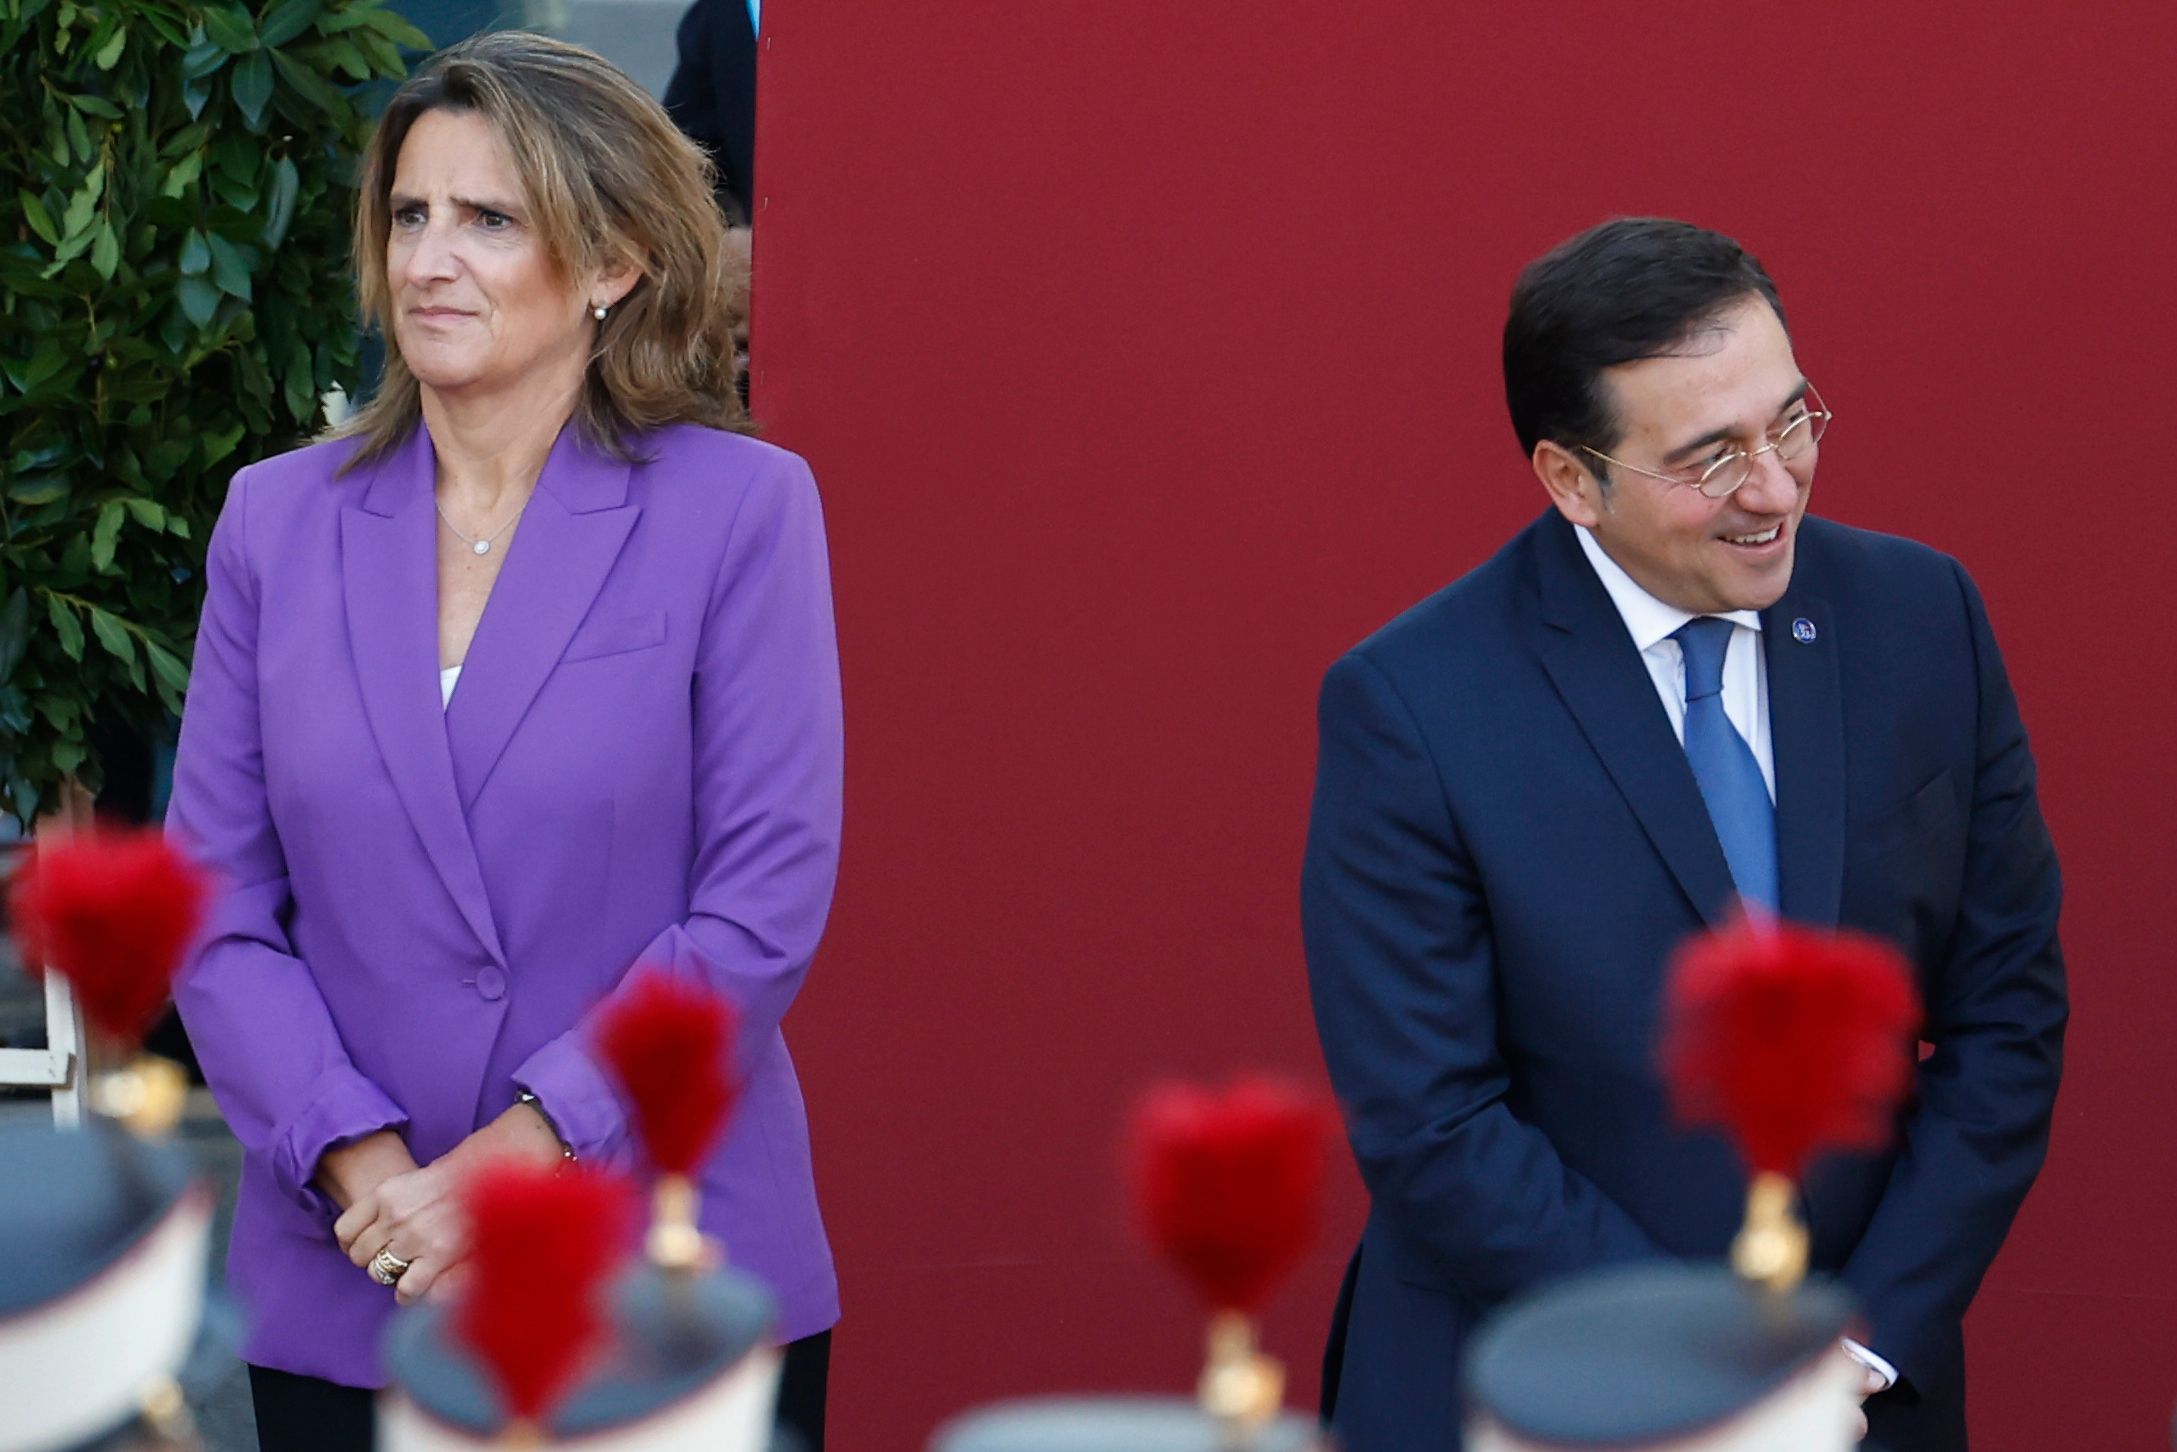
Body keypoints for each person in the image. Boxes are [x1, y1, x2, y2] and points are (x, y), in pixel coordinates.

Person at [166, 31, 841, 1452]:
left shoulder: (742, 510)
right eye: (409, 215)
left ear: (612, 264)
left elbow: (759, 905)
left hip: (658, 1265)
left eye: (487, 219)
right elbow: (214, 904)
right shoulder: (274, 524)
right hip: (361, 1263)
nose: (427, 260)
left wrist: (517, 1158)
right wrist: (360, 1164)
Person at [1300, 217, 2065, 1452]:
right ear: (1568, 480)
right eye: (1709, 458)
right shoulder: (1414, 705)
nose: (1772, 487)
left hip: (1858, 1400)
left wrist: (1858, 1347)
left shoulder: (1924, 619)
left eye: (1790, 420)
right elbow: (1430, 1122)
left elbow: (2006, 1016)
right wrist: (1705, 1372)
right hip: (1537, 1390)